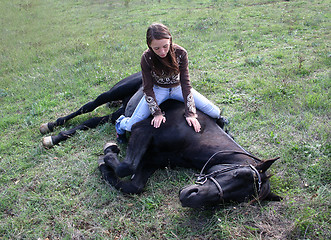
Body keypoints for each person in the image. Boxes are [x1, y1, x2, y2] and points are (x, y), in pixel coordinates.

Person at [115, 23, 227, 143]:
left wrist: (190, 112)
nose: (162, 52)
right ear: (149, 45)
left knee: (215, 112)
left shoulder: (181, 53)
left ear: (170, 40)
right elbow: (147, 88)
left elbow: (185, 83)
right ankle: (120, 122)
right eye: (156, 48)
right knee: (133, 123)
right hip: (159, 90)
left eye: (165, 46)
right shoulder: (146, 58)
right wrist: (156, 113)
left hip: (178, 88)